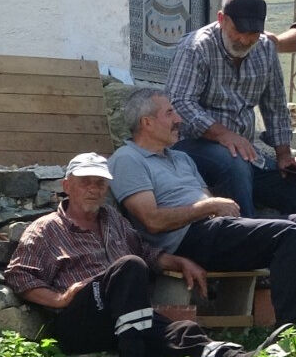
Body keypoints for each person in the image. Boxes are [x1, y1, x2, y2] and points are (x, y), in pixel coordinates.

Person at [7, 153, 280, 357]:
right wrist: (60, 298)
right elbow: (20, 276)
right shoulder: (46, 229)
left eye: (100, 183)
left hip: (127, 319)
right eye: (85, 182)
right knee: (128, 267)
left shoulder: (113, 219)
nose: (94, 189)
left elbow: (144, 251)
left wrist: (178, 261)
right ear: (67, 185)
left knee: (181, 330)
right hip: (83, 318)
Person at [109, 88, 296, 330]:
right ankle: (289, 332)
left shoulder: (181, 158)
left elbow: (208, 204)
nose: (179, 119)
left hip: (214, 230)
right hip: (187, 239)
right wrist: (208, 206)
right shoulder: (127, 159)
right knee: (289, 234)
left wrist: (212, 207)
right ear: (147, 122)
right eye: (170, 113)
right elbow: (152, 220)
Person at [165, 0, 296, 217]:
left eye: (252, 34)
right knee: (234, 162)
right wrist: (222, 134)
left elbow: (274, 104)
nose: (244, 41)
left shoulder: (265, 48)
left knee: (286, 181)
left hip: (245, 152)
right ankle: (245, 235)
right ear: (222, 19)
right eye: (238, 31)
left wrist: (284, 153)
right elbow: (180, 102)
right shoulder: (196, 47)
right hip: (191, 146)